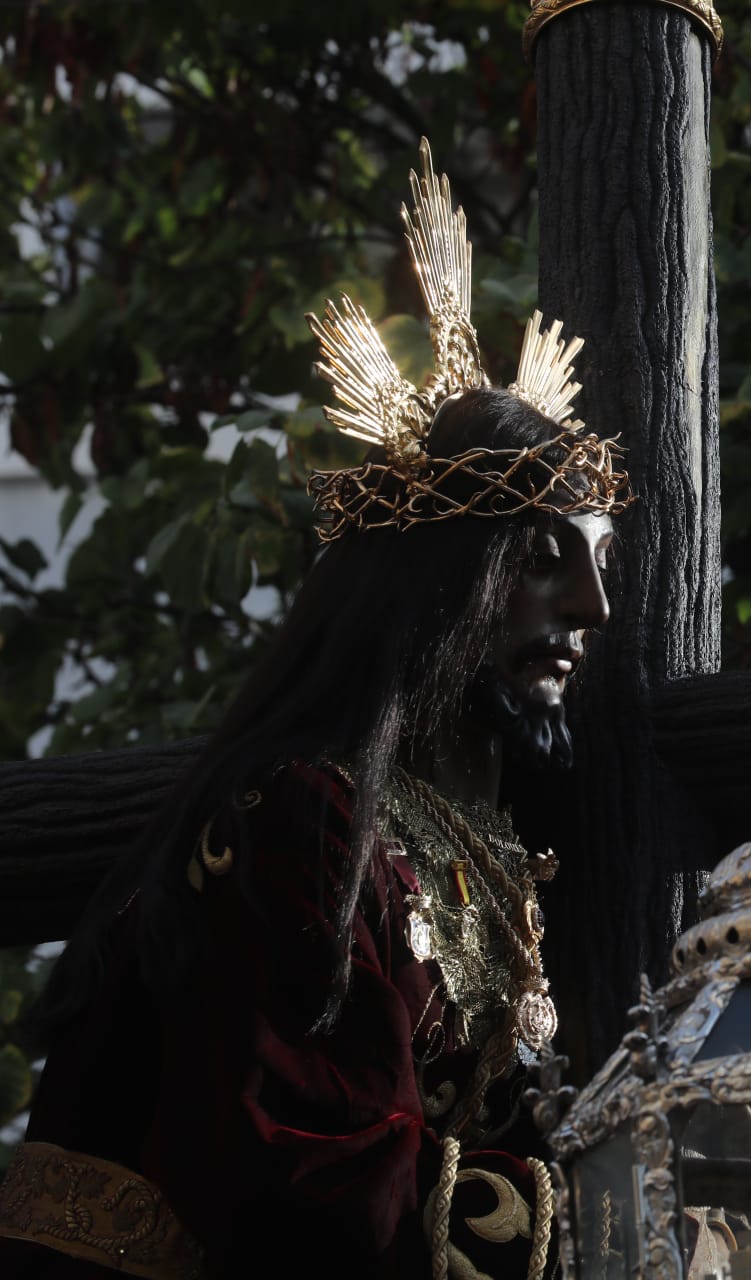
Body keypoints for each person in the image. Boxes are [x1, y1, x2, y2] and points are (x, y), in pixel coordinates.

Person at [0, 142, 623, 1280]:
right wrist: (616, 1201)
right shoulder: (300, 816)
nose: (591, 606)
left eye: (596, 561)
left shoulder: (472, 834)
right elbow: (310, 1177)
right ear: (442, 585)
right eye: (543, 561)